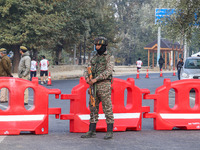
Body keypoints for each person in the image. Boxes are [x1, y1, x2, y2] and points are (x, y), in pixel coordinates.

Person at [81, 37, 114, 140]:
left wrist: (96, 79)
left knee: (107, 107)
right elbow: (87, 68)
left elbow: (108, 71)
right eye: (96, 45)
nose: (97, 47)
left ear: (103, 46)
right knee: (93, 107)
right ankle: (92, 130)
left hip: (103, 85)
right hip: (93, 86)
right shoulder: (93, 58)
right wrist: (87, 78)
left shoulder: (109, 57)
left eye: (99, 45)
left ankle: (109, 131)